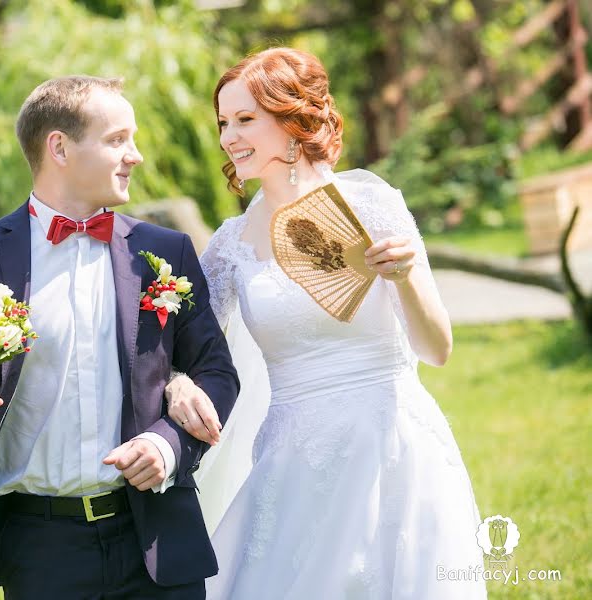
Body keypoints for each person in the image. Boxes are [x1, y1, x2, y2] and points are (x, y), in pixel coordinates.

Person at [165, 48, 487, 599]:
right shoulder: (227, 246)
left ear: (292, 121)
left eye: (245, 120)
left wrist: (406, 277)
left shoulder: (371, 204)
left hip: (391, 444)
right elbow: (192, 356)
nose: (228, 138)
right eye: (223, 122)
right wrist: (178, 380)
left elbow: (437, 349)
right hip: (291, 460)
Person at [0, 76, 240, 599]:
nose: (136, 156)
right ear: (58, 146)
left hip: (155, 537)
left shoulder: (165, 252)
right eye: (117, 140)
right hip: (39, 548)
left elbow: (216, 372)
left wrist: (168, 445)